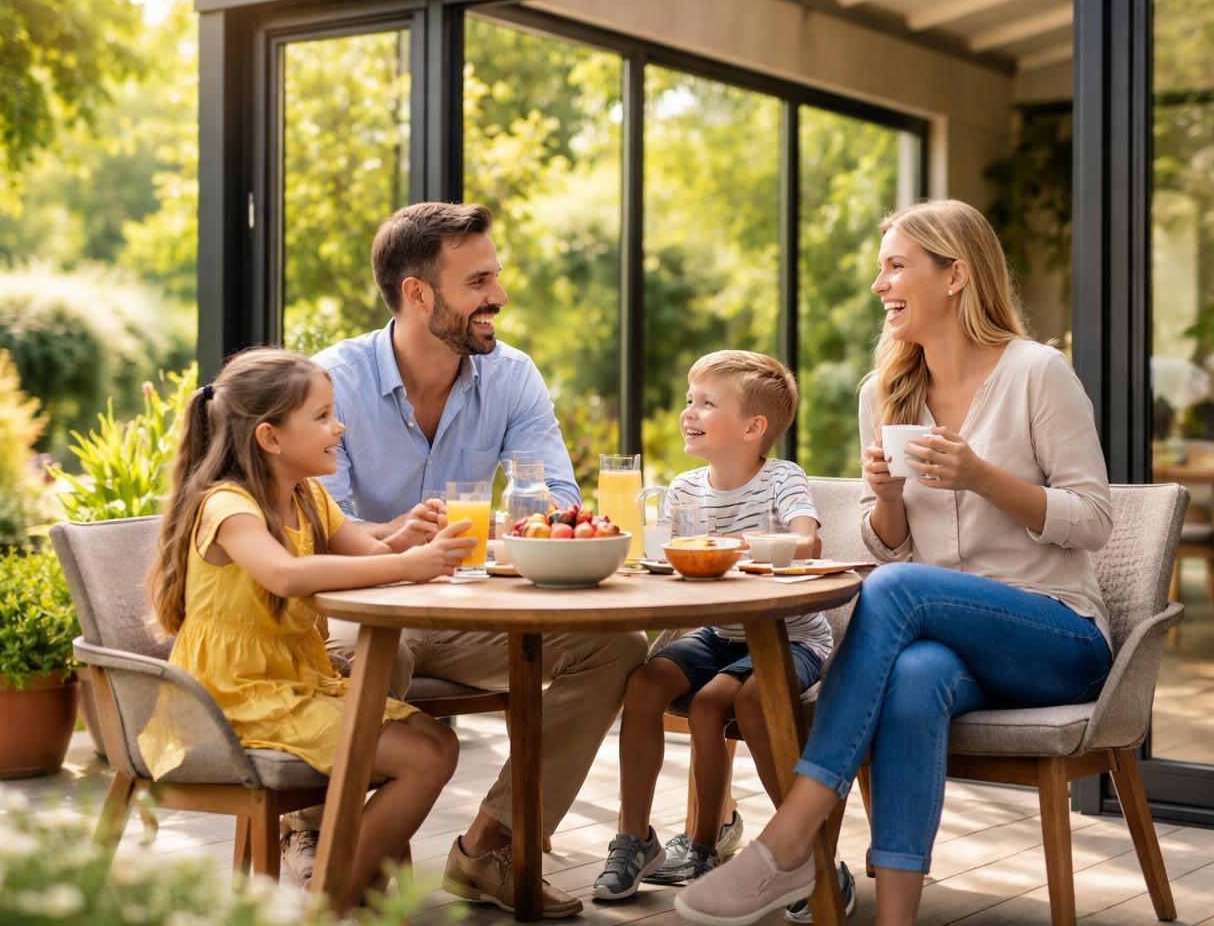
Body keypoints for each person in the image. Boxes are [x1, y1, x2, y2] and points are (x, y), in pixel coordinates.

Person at [675, 199, 1116, 926]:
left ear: (955, 276)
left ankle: (795, 831)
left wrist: (982, 477)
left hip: (1057, 636)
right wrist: (884, 499)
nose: (880, 284)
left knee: (897, 591)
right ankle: (896, 919)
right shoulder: (883, 393)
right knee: (914, 676)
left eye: (896, 266)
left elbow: (1094, 519)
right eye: (880, 269)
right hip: (947, 644)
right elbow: (893, 545)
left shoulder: (1038, 373)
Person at [293, 201, 647, 918]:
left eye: (496, 276)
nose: (499, 297)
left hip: (466, 610)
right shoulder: (334, 381)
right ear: (418, 293)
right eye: (478, 281)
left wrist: (509, 531)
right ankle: (312, 830)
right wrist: (400, 540)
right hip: (363, 607)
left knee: (615, 647)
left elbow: (557, 498)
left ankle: (490, 845)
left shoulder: (511, 377)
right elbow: (315, 524)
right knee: (367, 657)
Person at [139, 347, 478, 914]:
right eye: (322, 416)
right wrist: (404, 564)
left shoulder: (309, 498)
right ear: (270, 438)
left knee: (439, 742)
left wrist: (408, 540)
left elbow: (371, 555)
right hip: (233, 697)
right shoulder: (227, 505)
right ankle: (331, 902)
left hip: (296, 683)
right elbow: (286, 574)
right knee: (420, 758)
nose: (338, 426)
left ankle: (342, 888)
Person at [593, 350, 854, 922]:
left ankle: (809, 851)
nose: (689, 411)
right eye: (690, 399)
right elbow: (656, 552)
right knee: (644, 684)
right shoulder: (686, 488)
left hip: (792, 640)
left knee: (732, 701)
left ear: (753, 428)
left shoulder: (781, 478)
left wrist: (737, 549)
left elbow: (807, 542)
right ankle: (638, 839)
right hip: (719, 635)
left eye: (707, 403)